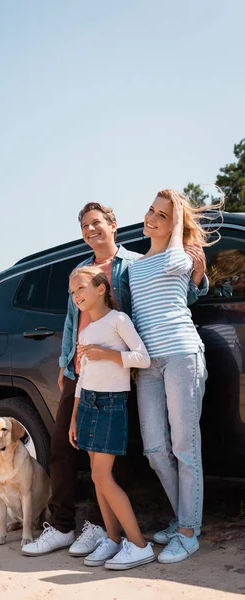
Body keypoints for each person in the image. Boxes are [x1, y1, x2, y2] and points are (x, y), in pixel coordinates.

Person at [21, 202, 208, 558]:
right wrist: (66, 363)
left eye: (97, 223)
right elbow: (71, 322)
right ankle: (61, 526)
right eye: (84, 226)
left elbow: (169, 295)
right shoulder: (80, 270)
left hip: (121, 369)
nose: (91, 230)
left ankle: (102, 527)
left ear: (113, 225)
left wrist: (198, 277)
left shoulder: (135, 264)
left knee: (107, 454)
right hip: (82, 370)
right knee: (63, 445)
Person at [128, 189, 220, 564]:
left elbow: (186, 271)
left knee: (185, 447)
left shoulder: (180, 257)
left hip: (182, 354)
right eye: (151, 210)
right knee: (154, 449)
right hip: (148, 364)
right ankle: (182, 518)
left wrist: (179, 214)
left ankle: (187, 532)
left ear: (175, 223)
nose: (152, 218)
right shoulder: (133, 265)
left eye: (162, 215)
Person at [66, 265, 156, 570]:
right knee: (96, 476)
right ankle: (114, 540)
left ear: (101, 288)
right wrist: (74, 416)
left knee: (102, 476)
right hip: (88, 403)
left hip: (111, 403)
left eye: (81, 288)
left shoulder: (118, 320)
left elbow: (142, 358)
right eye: (73, 291)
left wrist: (110, 355)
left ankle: (140, 545)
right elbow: (82, 376)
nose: (76, 295)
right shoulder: (87, 330)